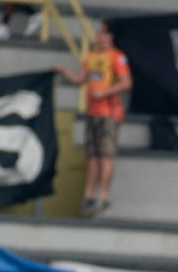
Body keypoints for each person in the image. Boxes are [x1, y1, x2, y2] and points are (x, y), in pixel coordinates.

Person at [52, 20, 131, 218]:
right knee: (93, 156)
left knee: (105, 155)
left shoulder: (116, 57)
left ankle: (102, 195)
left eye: (104, 33)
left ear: (111, 36)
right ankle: (88, 195)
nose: (100, 36)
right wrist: (63, 71)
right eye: (99, 33)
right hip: (93, 113)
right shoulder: (91, 57)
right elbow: (80, 79)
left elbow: (126, 83)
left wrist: (105, 92)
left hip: (108, 113)